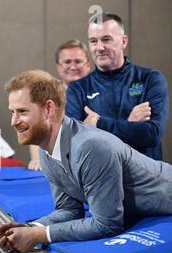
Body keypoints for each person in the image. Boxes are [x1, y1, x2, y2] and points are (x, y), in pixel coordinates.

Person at [0, 70, 172, 253]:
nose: (13, 121)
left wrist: (38, 235)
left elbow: (107, 225)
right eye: (12, 112)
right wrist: (31, 228)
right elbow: (69, 210)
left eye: (22, 111)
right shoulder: (45, 148)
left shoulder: (91, 146)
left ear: (48, 109)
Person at [66, 13, 169, 161]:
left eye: (106, 39)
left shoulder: (150, 79)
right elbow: (74, 142)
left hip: (146, 178)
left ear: (123, 41)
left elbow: (152, 134)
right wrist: (129, 124)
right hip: (100, 178)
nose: (100, 47)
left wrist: (98, 123)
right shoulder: (78, 89)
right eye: (93, 41)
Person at [28, 39, 91, 171]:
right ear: (58, 66)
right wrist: (37, 160)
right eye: (67, 62)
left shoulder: (101, 95)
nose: (73, 67)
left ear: (88, 65)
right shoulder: (46, 97)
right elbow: (36, 131)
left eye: (78, 61)